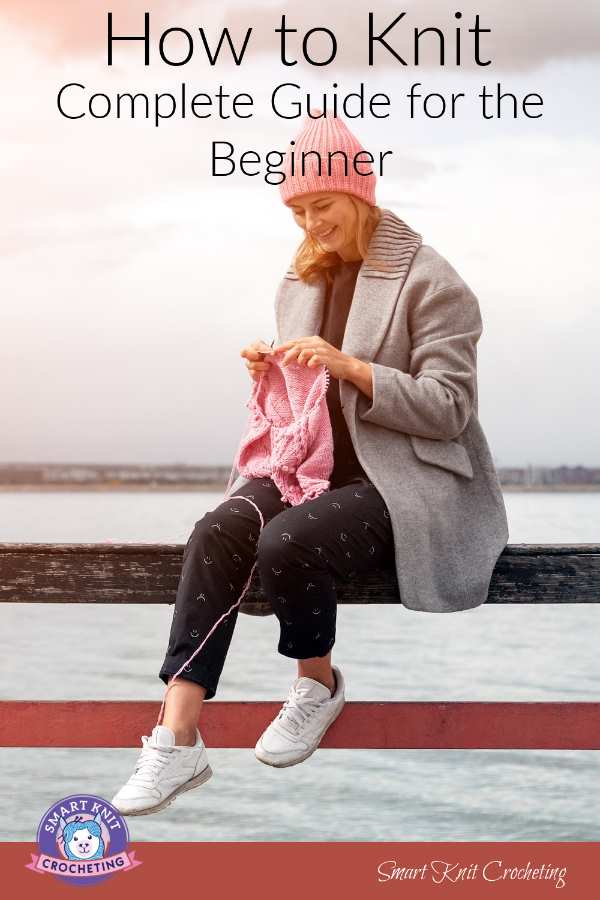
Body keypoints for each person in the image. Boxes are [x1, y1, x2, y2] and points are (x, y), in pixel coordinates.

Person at [111, 111, 509, 817]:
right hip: (310, 468)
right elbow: (304, 401)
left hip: (404, 480)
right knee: (217, 529)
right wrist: (271, 370)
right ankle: (176, 741)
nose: (310, 225)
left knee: (286, 539)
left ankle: (318, 687)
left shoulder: (434, 282)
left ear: (359, 193)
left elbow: (449, 409)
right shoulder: (301, 279)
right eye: (297, 211)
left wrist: (351, 366)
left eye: (320, 206)